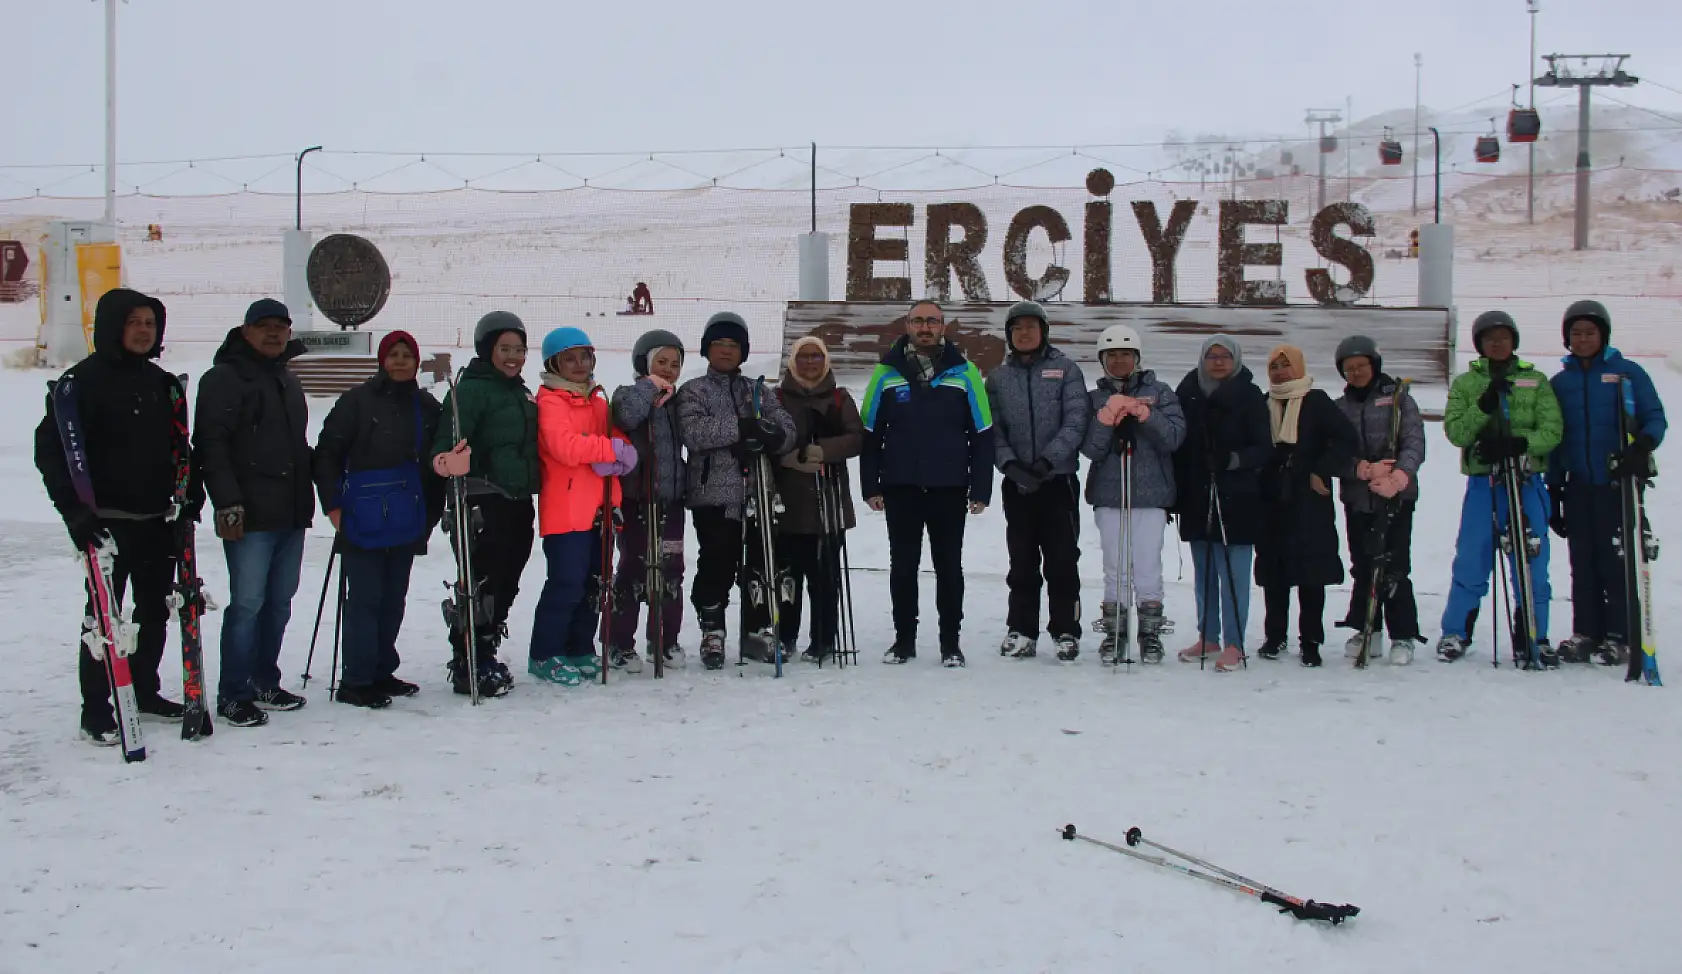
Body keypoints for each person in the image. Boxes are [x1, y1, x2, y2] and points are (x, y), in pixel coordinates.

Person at [34, 288, 198, 744]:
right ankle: (97, 709)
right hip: (103, 521)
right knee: (105, 618)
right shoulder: (81, 383)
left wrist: (190, 494)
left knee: (151, 612)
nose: (144, 331)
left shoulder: (160, 383)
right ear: (112, 327)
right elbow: (52, 452)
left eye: (150, 324)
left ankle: (143, 689)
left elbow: (179, 448)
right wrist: (73, 511)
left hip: (154, 520)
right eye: (134, 323)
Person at [194, 299, 313, 727]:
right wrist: (227, 502)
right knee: (247, 604)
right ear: (245, 331)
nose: (274, 333)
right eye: (264, 326)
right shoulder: (224, 379)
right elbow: (211, 446)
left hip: (291, 512)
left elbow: (297, 447)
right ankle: (234, 692)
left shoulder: (286, 379)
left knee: (279, 603)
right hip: (248, 514)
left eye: (281, 326)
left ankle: (265, 680)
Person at [312, 331, 445, 708]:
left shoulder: (425, 405)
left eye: (407, 355)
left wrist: (429, 514)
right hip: (362, 516)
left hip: (406, 516)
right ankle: (356, 679)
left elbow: (436, 460)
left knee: (393, 600)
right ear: (382, 360)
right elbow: (328, 454)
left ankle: (381, 670)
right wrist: (333, 505)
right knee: (366, 599)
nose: (401, 361)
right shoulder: (356, 401)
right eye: (394, 354)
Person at [860, 299, 995, 668]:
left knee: (949, 568)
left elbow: (983, 434)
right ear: (907, 325)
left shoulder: (966, 372)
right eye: (918, 321)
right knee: (902, 567)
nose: (925, 327)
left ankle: (951, 644)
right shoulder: (885, 373)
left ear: (943, 326)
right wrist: (871, 484)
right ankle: (904, 641)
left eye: (932, 321)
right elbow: (870, 433)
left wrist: (981, 488)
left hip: (948, 488)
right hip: (901, 487)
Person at [1437, 310, 1563, 666]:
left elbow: (1553, 430)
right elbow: (1456, 432)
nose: (1497, 343)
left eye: (1503, 337)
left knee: (1531, 558)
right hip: (1484, 483)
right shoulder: (1466, 383)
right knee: (1472, 559)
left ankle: (1534, 635)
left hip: (1525, 481)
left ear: (1514, 341)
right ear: (1479, 344)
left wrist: (1521, 443)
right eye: (1489, 338)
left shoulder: (1534, 380)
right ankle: (1456, 632)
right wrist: (1483, 407)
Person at [1546, 300, 1667, 665]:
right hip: (1579, 484)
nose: (1582, 340)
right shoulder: (1561, 383)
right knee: (1582, 561)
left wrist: (1640, 448)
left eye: (1590, 333)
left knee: (1615, 559)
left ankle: (1619, 634)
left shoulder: (1627, 373)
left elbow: (1655, 418)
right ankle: (1587, 632)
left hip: (1618, 483)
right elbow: (1556, 439)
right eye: (1576, 334)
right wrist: (1554, 489)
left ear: (1603, 335)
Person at [676, 312, 796, 669]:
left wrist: (772, 436)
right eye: (718, 345)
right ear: (707, 349)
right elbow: (694, 433)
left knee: (760, 563)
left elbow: (786, 429)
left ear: (743, 352)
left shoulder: (757, 390)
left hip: (757, 491)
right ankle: (712, 630)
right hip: (713, 493)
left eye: (733, 346)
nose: (725, 352)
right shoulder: (693, 390)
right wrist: (742, 428)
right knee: (718, 560)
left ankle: (758, 630)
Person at [430, 312, 538, 698]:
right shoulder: (471, 390)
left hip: (517, 498)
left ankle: (486, 646)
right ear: (486, 349)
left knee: (508, 579)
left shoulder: (519, 392)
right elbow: (446, 440)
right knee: (483, 580)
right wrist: (447, 460)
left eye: (519, 349)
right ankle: (467, 658)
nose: (513, 356)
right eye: (504, 348)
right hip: (481, 498)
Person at [528, 327, 637, 683]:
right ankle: (546, 652)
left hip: (599, 509)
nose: (578, 365)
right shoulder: (550, 400)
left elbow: (611, 436)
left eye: (584, 357)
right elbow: (565, 446)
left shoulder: (597, 399)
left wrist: (621, 450)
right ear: (553, 363)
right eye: (569, 358)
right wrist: (608, 450)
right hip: (566, 511)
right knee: (566, 583)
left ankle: (579, 647)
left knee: (595, 582)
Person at [986, 300, 1091, 661]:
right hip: (1017, 484)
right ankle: (1022, 629)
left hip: (1057, 481)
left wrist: (1047, 463)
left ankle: (1066, 630)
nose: (1024, 333)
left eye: (1031, 326)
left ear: (1043, 331)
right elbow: (993, 428)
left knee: (1063, 559)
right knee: (1022, 560)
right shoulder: (998, 378)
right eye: (1017, 328)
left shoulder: (1065, 369)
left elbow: (1076, 421)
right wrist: (1011, 466)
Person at [1081, 324, 1185, 665]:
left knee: (1147, 566)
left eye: (1126, 354)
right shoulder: (1093, 397)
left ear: (1137, 357)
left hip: (1151, 492)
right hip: (1111, 493)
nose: (1119, 360)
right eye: (1112, 355)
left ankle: (1150, 632)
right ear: (1102, 360)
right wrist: (1105, 418)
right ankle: (1115, 631)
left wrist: (1145, 414)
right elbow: (1092, 450)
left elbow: (1173, 438)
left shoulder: (1161, 391)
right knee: (1115, 566)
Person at [1253, 344, 1358, 667]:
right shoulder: (1264, 403)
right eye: (1275, 367)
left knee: (1311, 572)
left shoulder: (1316, 401)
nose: (1281, 372)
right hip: (1272, 497)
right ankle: (1275, 636)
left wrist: (1320, 469)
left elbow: (1346, 439)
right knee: (1275, 571)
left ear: (1298, 367)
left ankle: (1310, 641)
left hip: (1309, 498)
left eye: (1286, 366)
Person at [1171, 335, 1271, 672]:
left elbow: (1263, 447)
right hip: (1197, 494)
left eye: (1225, 356)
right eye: (1211, 356)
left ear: (1236, 360)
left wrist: (1232, 459)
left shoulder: (1250, 395)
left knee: (1233, 575)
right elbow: (1178, 445)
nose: (1218, 362)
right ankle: (1208, 636)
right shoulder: (1188, 392)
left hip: (1237, 495)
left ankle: (1234, 642)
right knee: (1205, 573)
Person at [1332, 336, 1428, 665]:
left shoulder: (1399, 399)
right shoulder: (1339, 407)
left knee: (1395, 566)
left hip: (1395, 497)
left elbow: (1414, 440)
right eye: (1350, 368)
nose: (1357, 372)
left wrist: (1400, 476)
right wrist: (1358, 469)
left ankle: (1403, 634)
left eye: (1362, 366)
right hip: (1359, 498)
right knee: (1363, 565)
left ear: (1374, 365)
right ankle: (1366, 628)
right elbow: (1332, 453)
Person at [773, 336, 864, 662]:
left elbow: (856, 438)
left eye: (816, 356)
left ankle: (823, 638)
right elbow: (764, 438)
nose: (810, 362)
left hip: (829, 502)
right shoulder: (778, 398)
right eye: (803, 356)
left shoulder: (839, 398)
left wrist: (824, 450)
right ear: (793, 361)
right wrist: (785, 457)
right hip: (788, 503)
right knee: (788, 577)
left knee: (825, 577)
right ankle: (785, 636)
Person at [607, 328, 688, 672]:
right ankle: (619, 643)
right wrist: (649, 386)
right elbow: (627, 416)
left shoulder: (678, 402)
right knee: (633, 569)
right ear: (644, 363)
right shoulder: (629, 393)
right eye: (661, 362)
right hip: (637, 499)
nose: (668, 370)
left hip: (670, 500)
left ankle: (664, 640)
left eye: (674, 363)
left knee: (670, 570)